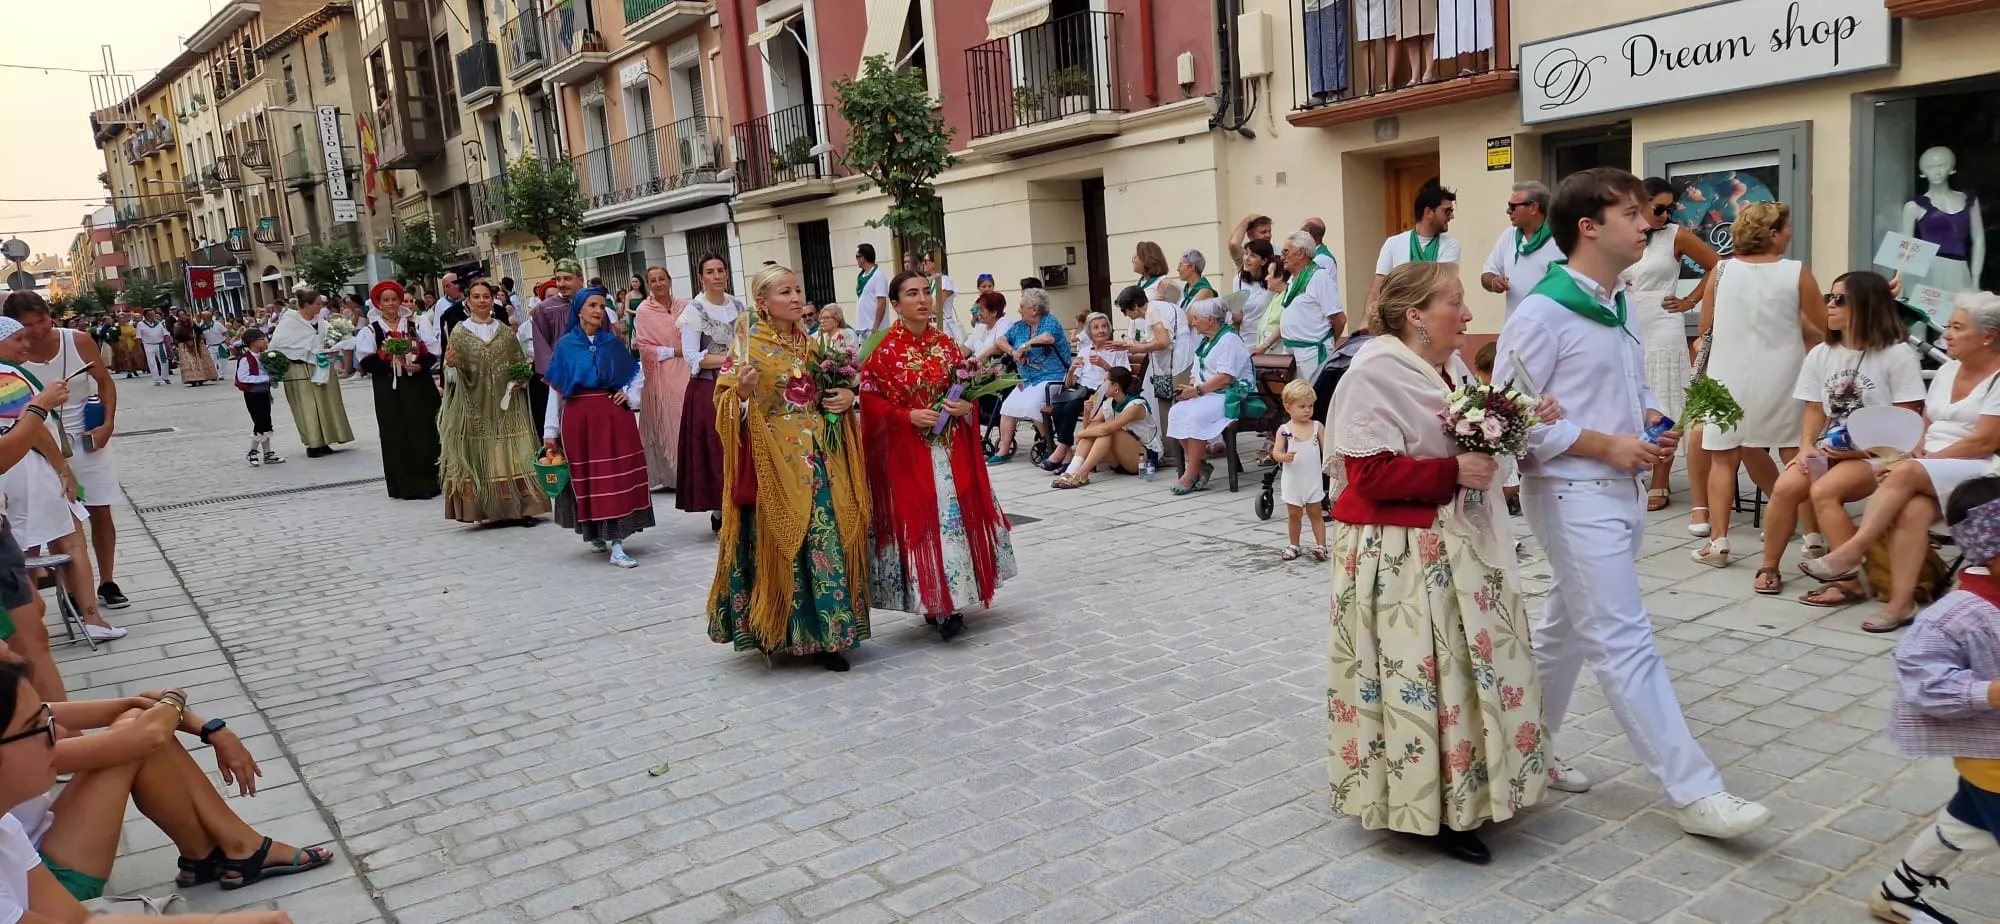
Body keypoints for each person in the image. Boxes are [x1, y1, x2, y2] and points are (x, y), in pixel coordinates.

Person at [1497, 166, 1770, 839]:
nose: (1646, 224)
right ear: (1589, 227)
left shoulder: (1618, 303)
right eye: (1631, 214)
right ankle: (1696, 790)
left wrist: (1648, 420)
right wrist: (1602, 444)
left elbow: (1619, 388)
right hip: (1571, 494)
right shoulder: (1543, 309)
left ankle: (1527, 749)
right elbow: (1502, 417)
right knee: (1625, 640)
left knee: (1564, 631)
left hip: (1616, 493)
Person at [1326, 260, 1549, 864]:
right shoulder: (1374, 372)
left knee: (1463, 671)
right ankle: (1429, 807)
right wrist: (1454, 471)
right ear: (1415, 315)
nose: (1469, 313)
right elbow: (1368, 474)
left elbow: (1458, 437)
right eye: (1456, 301)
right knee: (1422, 677)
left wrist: (1520, 421)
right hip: (1398, 551)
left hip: (1444, 540)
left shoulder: (1442, 367)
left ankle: (1468, 789)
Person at [0, 663, 303, 924]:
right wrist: (179, 704)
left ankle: (219, 852)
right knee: (135, 742)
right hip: (52, 872)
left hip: (38, 865)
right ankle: (235, 849)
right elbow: (147, 735)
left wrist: (210, 728)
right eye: (40, 728)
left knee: (136, 729)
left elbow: (77, 921)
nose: (62, 733)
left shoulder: (6, 828)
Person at [1802, 291, 2000, 631]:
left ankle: (1853, 551)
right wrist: (1915, 452)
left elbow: (1986, 440)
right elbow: (1926, 421)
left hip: (1982, 470)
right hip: (1929, 466)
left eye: (1956, 328)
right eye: (1948, 326)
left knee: (1905, 472)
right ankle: (1900, 604)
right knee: (1911, 510)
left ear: (1988, 337)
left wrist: (1920, 462)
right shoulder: (1949, 370)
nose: (1945, 335)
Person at [708, 265, 871, 671]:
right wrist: (741, 394)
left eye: (798, 290)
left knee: (825, 537)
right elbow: (724, 402)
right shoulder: (748, 344)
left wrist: (845, 398)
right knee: (781, 539)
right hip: (776, 458)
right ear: (763, 303)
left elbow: (829, 390)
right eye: (786, 292)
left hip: (821, 457)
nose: (797, 298)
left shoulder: (812, 346)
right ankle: (777, 627)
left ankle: (831, 637)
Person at [1869, 474, 2000, 924]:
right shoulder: (1953, 617)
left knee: (1968, 821)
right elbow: (1923, 682)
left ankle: (1896, 895)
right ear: (1989, 551)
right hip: (1994, 759)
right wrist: (1989, 691)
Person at [860, 271, 1018, 641]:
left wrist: (965, 407)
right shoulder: (883, 353)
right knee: (923, 525)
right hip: (908, 454)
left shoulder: (948, 345)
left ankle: (952, 602)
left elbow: (967, 391)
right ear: (896, 305)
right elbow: (869, 401)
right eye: (911, 294)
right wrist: (905, 416)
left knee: (951, 523)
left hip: (948, 452)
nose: (922, 300)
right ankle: (931, 599)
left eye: (925, 293)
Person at [1752, 271, 1924, 601]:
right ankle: (1769, 566)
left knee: (1825, 492)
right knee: (1786, 487)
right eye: (1828, 298)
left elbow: (1907, 422)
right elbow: (1815, 409)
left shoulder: (1897, 355)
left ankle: (1847, 582)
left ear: (1865, 305)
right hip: (1833, 448)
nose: (1829, 306)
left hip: (1881, 454)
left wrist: (1854, 453)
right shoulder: (1821, 354)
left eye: (1839, 299)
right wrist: (1805, 446)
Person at [1690, 201, 1826, 568]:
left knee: (1723, 458)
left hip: (1726, 374)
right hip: (1784, 373)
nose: (1791, 233)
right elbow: (1822, 331)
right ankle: (1812, 537)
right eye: (1787, 227)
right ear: (1772, 233)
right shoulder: (1797, 273)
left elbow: (1705, 330)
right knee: (1796, 455)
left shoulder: (1719, 272)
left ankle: (1718, 542)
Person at [1, 294, 128, 614]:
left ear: (50, 316)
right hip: (41, 449)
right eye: (27, 326)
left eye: (42, 320)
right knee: (63, 525)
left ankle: (107, 582)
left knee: (100, 511)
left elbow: (105, 383)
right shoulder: (12, 353)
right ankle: (73, 593)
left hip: (86, 439)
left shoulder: (78, 341)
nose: (37, 330)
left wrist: (108, 424)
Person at [1629, 176, 1723, 515]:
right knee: (1631, 396)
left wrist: (1690, 301)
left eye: (1671, 208)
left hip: (1662, 322)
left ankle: (1660, 477)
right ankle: (1634, 465)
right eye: (1659, 208)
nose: (1666, 215)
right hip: (1626, 322)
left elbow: (1717, 266)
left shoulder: (1676, 236)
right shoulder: (1626, 233)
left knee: (1665, 397)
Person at [543, 288, 652, 566]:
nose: (597, 310)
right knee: (590, 478)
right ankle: (597, 533)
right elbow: (555, 391)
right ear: (579, 310)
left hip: (614, 417)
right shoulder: (566, 346)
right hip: (579, 418)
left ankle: (617, 544)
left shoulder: (612, 343)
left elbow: (636, 374)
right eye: (592, 305)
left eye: (602, 306)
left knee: (615, 478)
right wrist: (550, 431)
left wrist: (628, 393)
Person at [440, 280, 549, 527]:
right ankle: (485, 508)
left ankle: (521, 509)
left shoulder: (504, 332)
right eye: (476, 297)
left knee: (512, 454)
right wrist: (451, 365)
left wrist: (521, 378)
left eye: (486, 296)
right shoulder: (459, 332)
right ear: (467, 302)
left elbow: (518, 363)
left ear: (493, 300)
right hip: (475, 406)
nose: (481, 301)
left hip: (506, 405)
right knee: (483, 455)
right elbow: (451, 378)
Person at [353, 282, 443, 501]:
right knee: (396, 431)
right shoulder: (371, 330)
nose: (391, 304)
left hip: (418, 384)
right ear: (378, 303)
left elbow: (432, 351)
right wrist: (390, 361)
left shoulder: (415, 324)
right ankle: (405, 485)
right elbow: (366, 362)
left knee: (423, 429)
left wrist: (419, 365)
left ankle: (429, 480)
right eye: (386, 300)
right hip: (389, 388)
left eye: (395, 299)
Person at [678, 254, 744, 532]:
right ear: (701, 278)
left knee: (742, 444)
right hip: (710, 388)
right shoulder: (694, 311)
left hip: (740, 385)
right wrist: (731, 359)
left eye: (720, 270)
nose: (716, 276)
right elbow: (693, 356)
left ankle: (742, 502)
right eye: (710, 272)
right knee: (717, 447)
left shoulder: (739, 306)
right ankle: (721, 510)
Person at [1166, 301, 1252, 495]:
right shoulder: (1207, 341)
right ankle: (1200, 465)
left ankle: (1191, 472)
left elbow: (1225, 378)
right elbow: (1197, 373)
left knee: (1197, 414)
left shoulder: (1229, 339)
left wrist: (1196, 392)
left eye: (1196, 318)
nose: (1193, 322)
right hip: (1209, 393)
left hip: (1231, 394)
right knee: (1177, 412)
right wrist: (1190, 389)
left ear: (1211, 320)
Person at [987, 287, 1070, 465]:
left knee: (1033, 405)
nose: (1019, 309)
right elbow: (1000, 340)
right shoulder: (1020, 326)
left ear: (1034, 309)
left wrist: (1024, 347)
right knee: (1007, 407)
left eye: (1022, 306)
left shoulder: (1050, 322)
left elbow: (1047, 338)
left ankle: (1050, 446)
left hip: (1053, 377)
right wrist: (1012, 351)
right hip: (1028, 380)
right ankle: (1003, 449)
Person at [269, 290, 355, 458]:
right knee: (307, 406)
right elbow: (277, 345)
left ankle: (327, 439)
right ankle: (313, 443)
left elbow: (329, 338)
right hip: (300, 368)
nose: (320, 307)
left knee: (327, 403)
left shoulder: (321, 321)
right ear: (307, 305)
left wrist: (333, 347)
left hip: (321, 366)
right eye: (317, 304)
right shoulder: (289, 322)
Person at [1255, 231, 1346, 384]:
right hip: (1291, 352)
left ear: (1301, 253)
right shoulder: (1292, 280)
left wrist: (1327, 342)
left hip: (1311, 352)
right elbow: (1287, 320)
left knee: (1313, 402)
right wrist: (1263, 346)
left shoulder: (1319, 277)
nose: (1282, 257)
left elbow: (1340, 319)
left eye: (1286, 252)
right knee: (1296, 401)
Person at [1041, 314, 1127, 474]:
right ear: (1089, 332)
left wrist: (1106, 366)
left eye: (1104, 326)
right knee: (1058, 407)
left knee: (1070, 408)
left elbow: (1125, 379)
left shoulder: (1116, 350)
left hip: (1102, 392)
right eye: (1096, 327)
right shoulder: (1085, 351)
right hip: (1081, 390)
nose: (1101, 330)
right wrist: (1072, 369)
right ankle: (1066, 454)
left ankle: (1061, 451)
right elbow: (1069, 384)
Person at [633, 265, 690, 492]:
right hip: (662, 367)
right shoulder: (645, 311)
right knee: (670, 417)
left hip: (690, 365)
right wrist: (672, 352)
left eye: (662, 279)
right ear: (649, 284)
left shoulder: (684, 306)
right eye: (653, 280)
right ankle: (674, 473)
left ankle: (691, 469)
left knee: (688, 415)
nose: (658, 284)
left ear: (670, 280)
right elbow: (643, 345)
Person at [1051, 367, 1158, 489]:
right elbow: (1090, 428)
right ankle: (1072, 470)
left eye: (1105, 382)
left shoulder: (1136, 405)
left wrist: (1080, 434)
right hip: (1118, 460)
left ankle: (1082, 473)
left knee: (1109, 430)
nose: (1101, 385)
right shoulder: (1108, 403)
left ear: (1116, 386)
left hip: (1143, 458)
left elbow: (1106, 429)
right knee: (1098, 427)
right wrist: (1087, 412)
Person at [1480, 181, 1565, 316]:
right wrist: (1494, 282)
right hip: (1516, 328)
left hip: (1552, 327)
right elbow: (1487, 274)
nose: (1508, 211)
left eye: (1513, 207)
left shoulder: (1562, 237)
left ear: (1533, 208)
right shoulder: (1509, 235)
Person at [1371, 182, 1461, 309]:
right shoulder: (1393, 243)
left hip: (1434, 316)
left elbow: (1442, 285)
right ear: (1429, 212)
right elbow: (1378, 289)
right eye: (1447, 211)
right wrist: (1368, 320)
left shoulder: (1451, 245)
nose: (1451, 216)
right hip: (1399, 318)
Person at [1271, 379, 1327, 562]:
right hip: (1293, 481)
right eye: (1302, 406)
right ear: (1288, 408)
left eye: (1310, 406)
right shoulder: (1285, 430)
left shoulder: (1317, 427)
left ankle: (1321, 545)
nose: (1307, 410)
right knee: (1294, 514)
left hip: (1312, 480)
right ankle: (1294, 544)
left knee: (1315, 513)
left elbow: (1327, 449)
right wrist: (1283, 457)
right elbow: (1276, 452)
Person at [531, 260, 587, 431]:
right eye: (558, 279)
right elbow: (541, 347)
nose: (562, 284)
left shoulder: (592, 304)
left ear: (580, 279)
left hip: (592, 376)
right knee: (567, 425)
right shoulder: (545, 309)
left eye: (567, 279)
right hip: (562, 380)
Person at [233, 328, 283, 466]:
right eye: (262, 339)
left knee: (266, 422)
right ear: (253, 342)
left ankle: (268, 454)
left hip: (264, 393)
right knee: (259, 423)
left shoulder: (264, 356)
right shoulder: (245, 359)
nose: (266, 341)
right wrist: (266, 377)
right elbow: (243, 377)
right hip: (253, 395)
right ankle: (253, 452)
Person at [1234, 239, 1277, 333]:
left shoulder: (1273, 280)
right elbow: (1237, 316)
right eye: (1246, 253)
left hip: (1269, 339)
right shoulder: (1238, 280)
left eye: (1253, 256)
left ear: (1264, 261)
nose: (1246, 258)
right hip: (1245, 338)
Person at [923, 253, 964, 343]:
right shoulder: (929, 281)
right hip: (929, 324)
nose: (923, 263)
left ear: (935, 263)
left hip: (943, 325)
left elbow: (936, 308)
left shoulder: (944, 281)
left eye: (926, 261)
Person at [853, 243, 889, 338]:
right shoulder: (862, 276)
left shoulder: (878, 275)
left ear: (862, 258)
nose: (856, 260)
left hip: (874, 328)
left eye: (857, 257)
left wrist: (876, 326)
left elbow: (882, 303)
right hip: (863, 328)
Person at [965, 293, 1009, 361]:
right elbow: (967, 346)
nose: (979, 313)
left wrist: (975, 362)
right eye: (978, 310)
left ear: (994, 312)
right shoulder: (981, 325)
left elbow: (998, 348)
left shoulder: (1005, 323)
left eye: (982, 310)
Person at [135, 310, 170, 386]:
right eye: (151, 315)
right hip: (148, 345)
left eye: (153, 314)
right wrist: (139, 349)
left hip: (160, 344)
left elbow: (165, 334)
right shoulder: (141, 324)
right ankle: (156, 379)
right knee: (152, 362)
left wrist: (168, 344)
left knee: (164, 361)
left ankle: (165, 377)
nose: (153, 316)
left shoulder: (159, 323)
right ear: (146, 316)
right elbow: (138, 337)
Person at [109, 313, 144, 378]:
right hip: (121, 345)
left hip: (131, 344)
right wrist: (116, 337)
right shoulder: (115, 327)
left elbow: (134, 333)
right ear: (117, 319)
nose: (122, 319)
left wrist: (135, 338)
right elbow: (112, 336)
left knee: (133, 357)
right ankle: (129, 371)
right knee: (125, 358)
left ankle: (133, 369)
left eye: (123, 318)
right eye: (120, 318)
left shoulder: (129, 326)